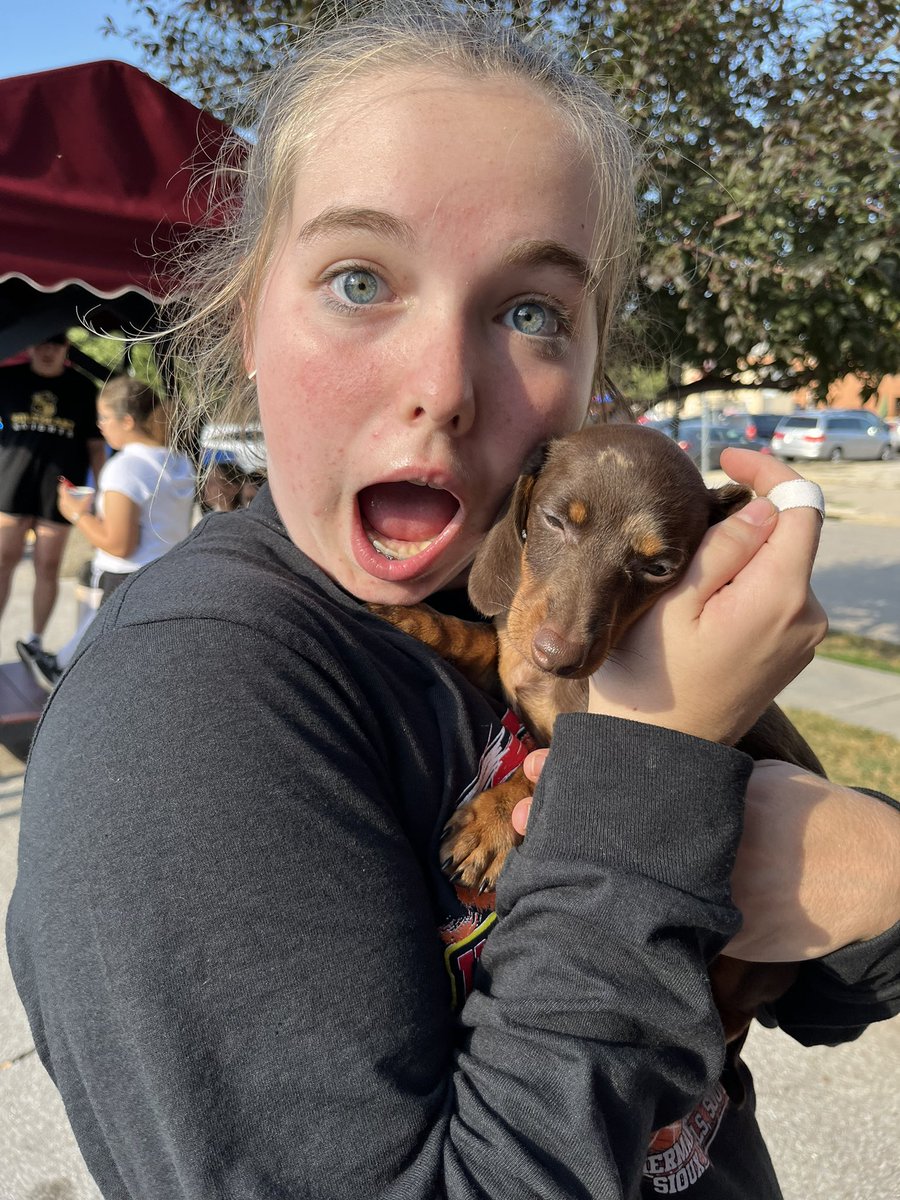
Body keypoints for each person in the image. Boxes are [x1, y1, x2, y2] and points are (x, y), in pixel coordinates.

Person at [6, 6, 899, 1198]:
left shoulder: (536, 610)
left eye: (531, 312)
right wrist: (651, 789)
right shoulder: (187, 712)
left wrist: (868, 862)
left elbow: (832, 987)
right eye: (360, 279)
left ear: (592, 371)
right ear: (243, 322)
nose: (443, 388)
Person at [16, 376, 196, 690]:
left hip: (126, 580)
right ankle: (58, 665)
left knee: (105, 673)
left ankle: (59, 673)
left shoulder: (125, 468)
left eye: (103, 417)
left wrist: (76, 514)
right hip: (167, 575)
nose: (99, 425)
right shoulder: (178, 461)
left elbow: (118, 545)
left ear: (127, 421)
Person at [0, 334, 105, 654]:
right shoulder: (5, 379)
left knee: (47, 565)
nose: (48, 351)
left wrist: (101, 493)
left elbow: (96, 447)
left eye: (55, 345)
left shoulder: (83, 388)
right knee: (3, 561)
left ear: (66, 349)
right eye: (41, 344)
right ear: (29, 346)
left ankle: (35, 640)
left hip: (60, 490)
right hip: (10, 485)